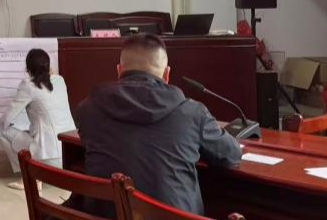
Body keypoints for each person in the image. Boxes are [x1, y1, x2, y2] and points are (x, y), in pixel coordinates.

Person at [74, 34, 242, 218]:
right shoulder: (192, 113)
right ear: (166, 74)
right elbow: (231, 155)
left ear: (119, 70)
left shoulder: (88, 110)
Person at [0, 48, 75, 190]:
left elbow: (7, 118)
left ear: (28, 69)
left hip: (48, 156)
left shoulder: (28, 85)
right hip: (69, 155)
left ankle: (29, 177)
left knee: (1, 131)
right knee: (33, 131)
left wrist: (1, 122)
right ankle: (35, 175)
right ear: (49, 66)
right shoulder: (60, 80)